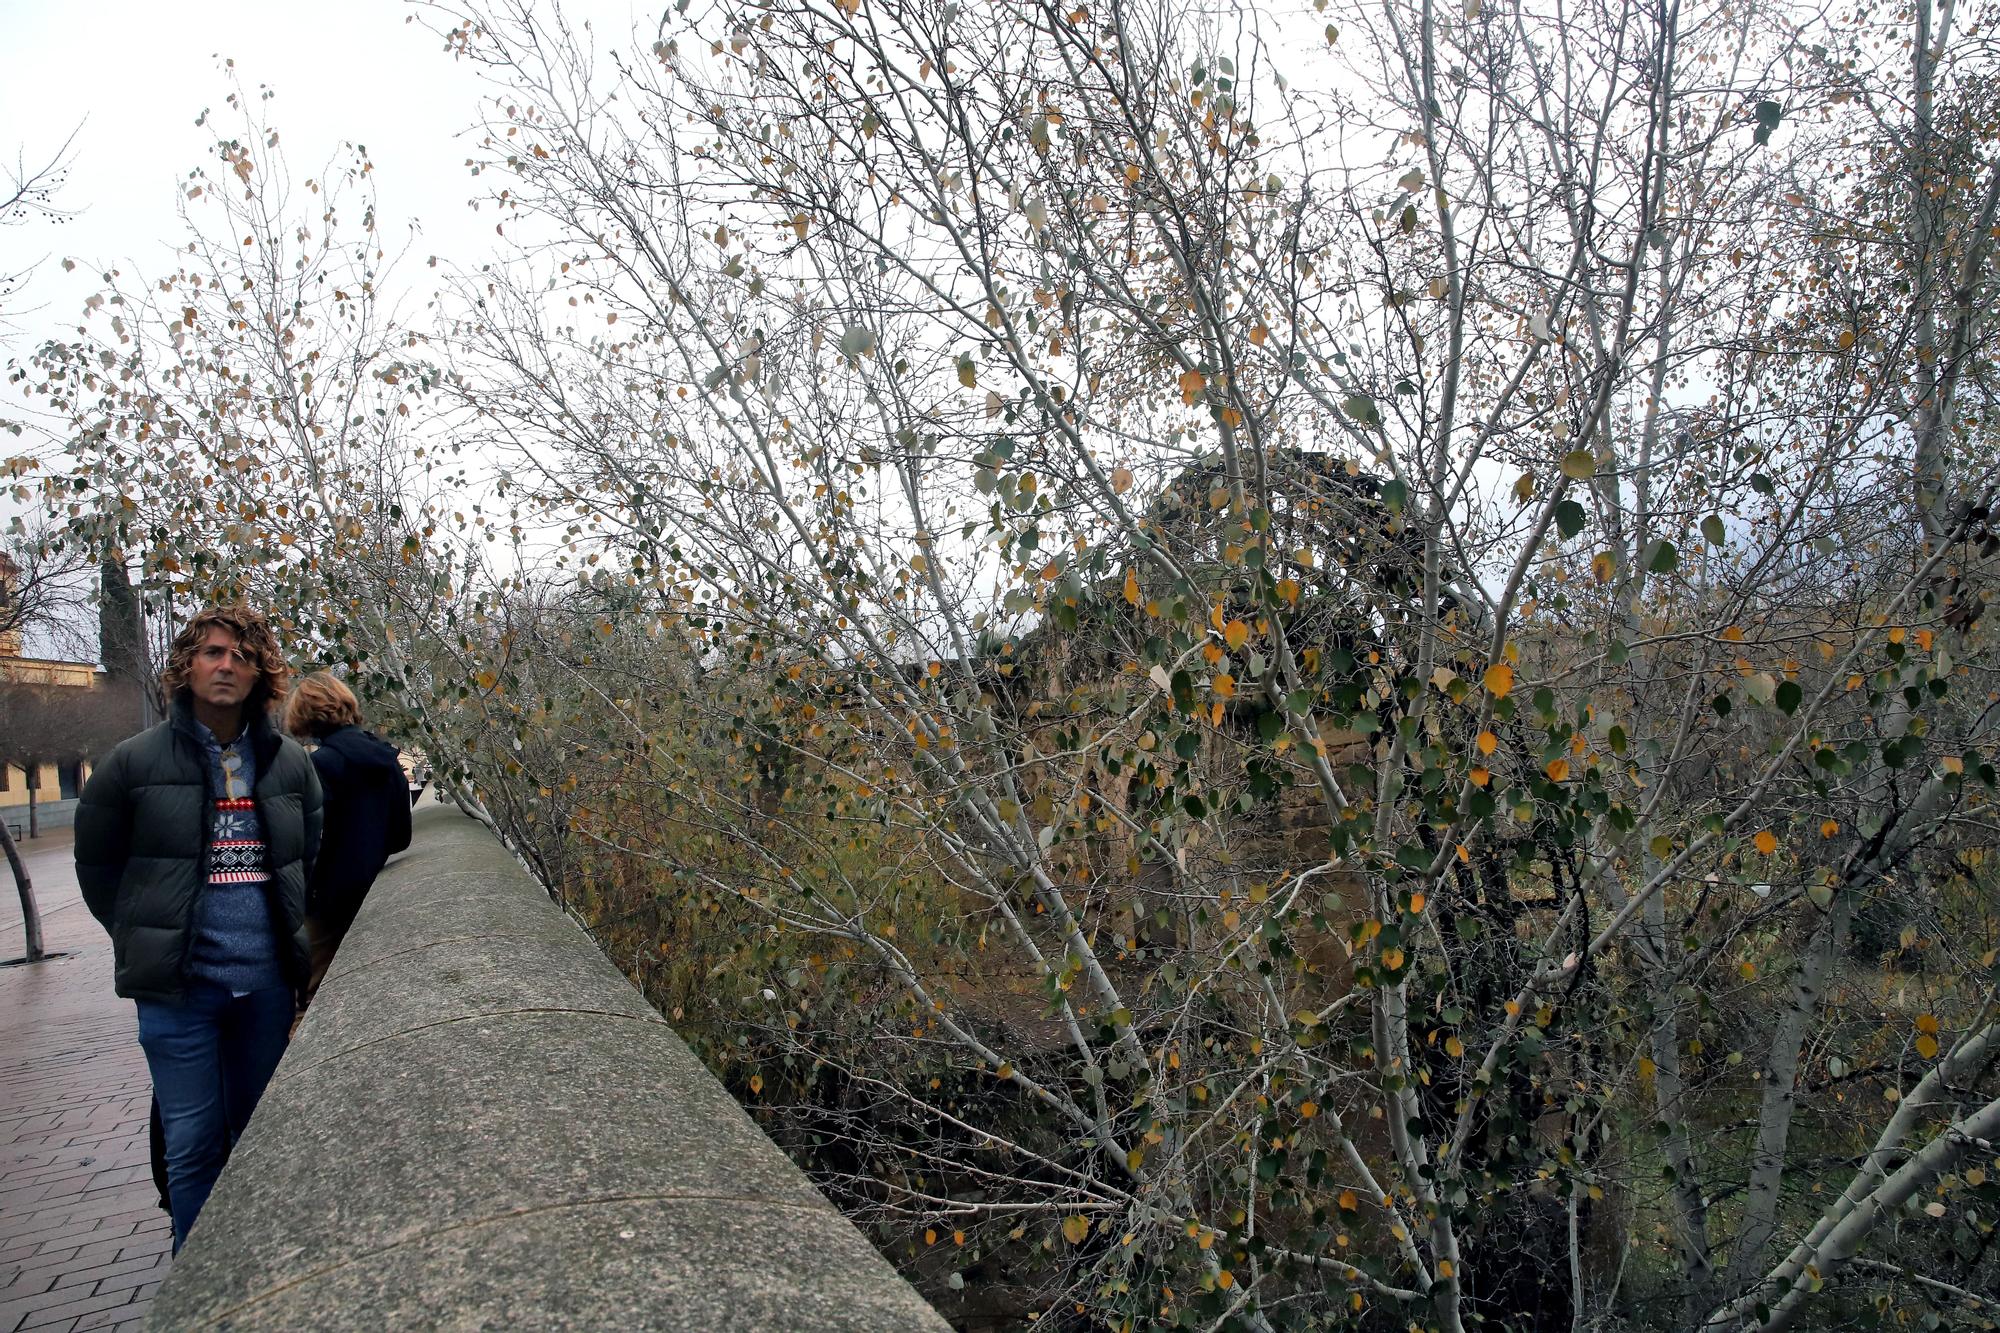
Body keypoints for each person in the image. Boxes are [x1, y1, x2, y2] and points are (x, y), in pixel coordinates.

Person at [74, 606, 322, 1253]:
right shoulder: (132, 763)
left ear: (260, 673)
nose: (226, 665)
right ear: (187, 666)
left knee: (260, 1139)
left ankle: (256, 1268)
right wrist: (141, 935)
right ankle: (197, 1282)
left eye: (242, 655)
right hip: (178, 994)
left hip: (264, 989)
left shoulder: (289, 764)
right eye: (212, 652)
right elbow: (97, 865)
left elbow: (306, 856)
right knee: (191, 1145)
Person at [284, 672, 410, 1005]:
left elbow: (308, 839)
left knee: (312, 995)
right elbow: (401, 836)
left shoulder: (320, 765)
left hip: (327, 901)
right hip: (374, 890)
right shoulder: (385, 757)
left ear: (306, 717)